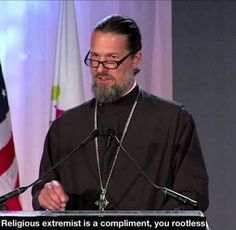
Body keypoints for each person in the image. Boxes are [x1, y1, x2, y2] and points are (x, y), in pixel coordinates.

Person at [31, 14, 209, 212]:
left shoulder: (173, 120)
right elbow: (42, 188)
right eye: (95, 58)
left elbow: (191, 195)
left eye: (111, 60)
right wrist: (44, 196)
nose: (100, 69)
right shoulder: (65, 127)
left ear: (136, 59)